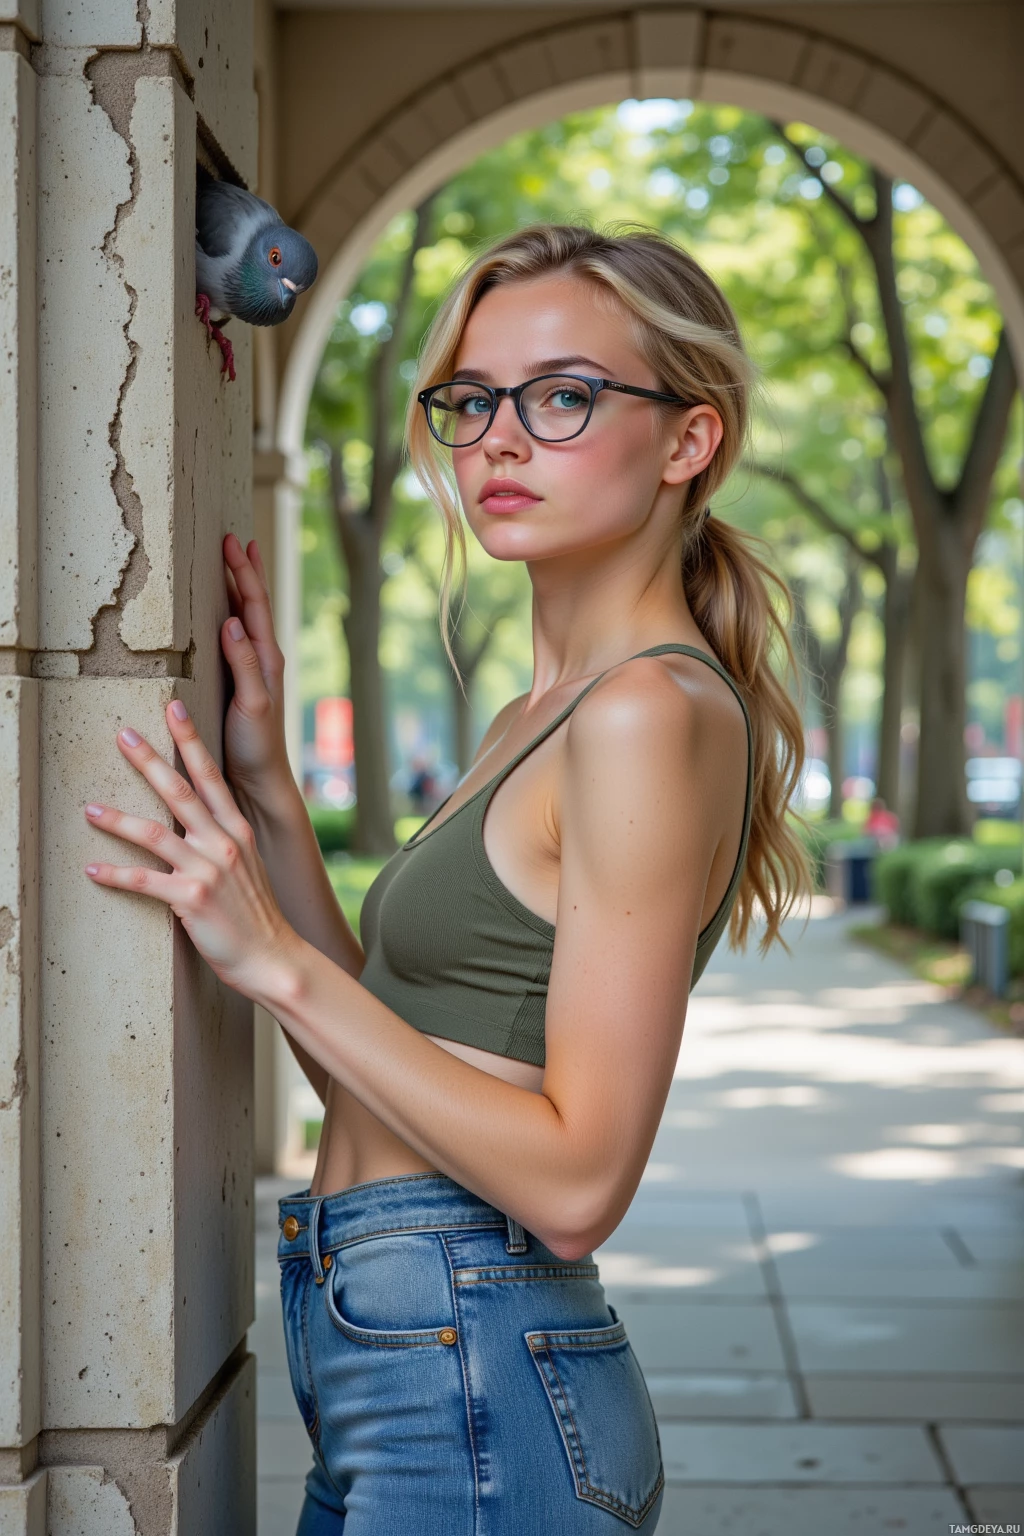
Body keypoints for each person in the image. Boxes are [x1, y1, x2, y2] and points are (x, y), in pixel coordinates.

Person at [81, 222, 813, 1533]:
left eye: (564, 396)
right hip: (399, 1350)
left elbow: (579, 1184)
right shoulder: (531, 718)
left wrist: (279, 960)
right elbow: (376, 1070)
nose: (499, 441)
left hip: (477, 1364)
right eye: (469, 402)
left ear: (689, 441)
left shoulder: (650, 712)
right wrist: (270, 795)